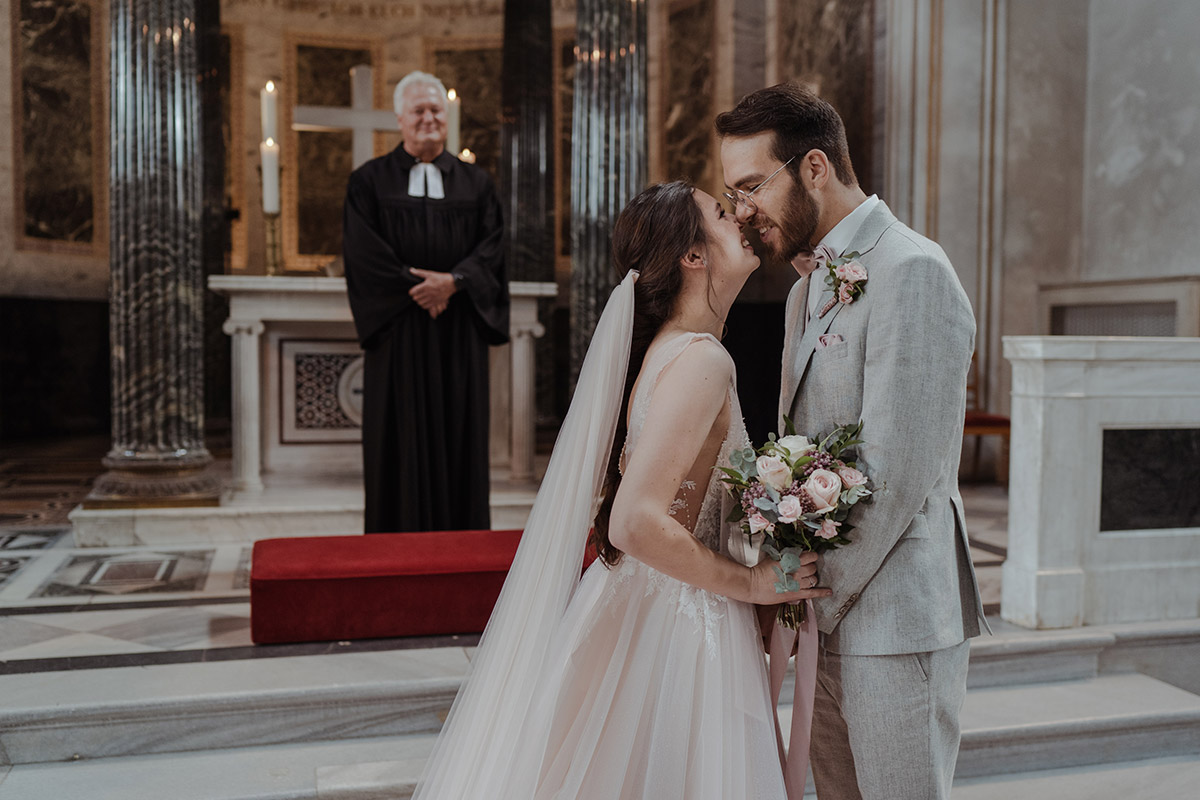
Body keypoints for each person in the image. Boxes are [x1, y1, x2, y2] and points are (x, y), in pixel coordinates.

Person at [412, 181, 832, 799]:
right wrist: (750, 584)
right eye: (721, 212)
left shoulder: (670, 352)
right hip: (684, 623)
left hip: (642, 600)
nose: (740, 216)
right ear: (693, 256)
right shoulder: (703, 360)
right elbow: (633, 522)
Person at [717, 83, 990, 800]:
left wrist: (804, 593)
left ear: (814, 168)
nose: (742, 213)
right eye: (731, 193)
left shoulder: (913, 271)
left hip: (896, 621)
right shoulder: (808, 286)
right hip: (827, 615)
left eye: (751, 187)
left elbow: (895, 472)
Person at [342, 71, 508, 533]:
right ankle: (394, 549)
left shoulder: (477, 184)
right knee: (398, 440)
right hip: (399, 335)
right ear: (399, 118)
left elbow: (493, 248)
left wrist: (454, 282)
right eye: (419, 110)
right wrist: (420, 289)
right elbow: (362, 253)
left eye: (437, 109)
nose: (429, 118)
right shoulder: (368, 182)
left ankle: (461, 546)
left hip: (458, 333)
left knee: (459, 439)